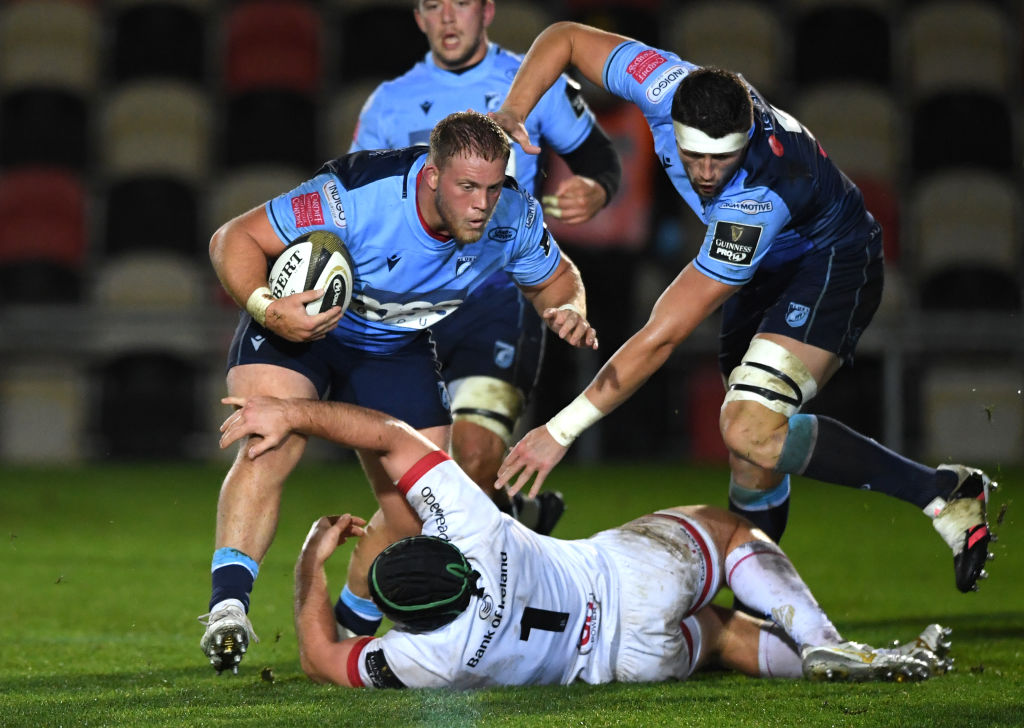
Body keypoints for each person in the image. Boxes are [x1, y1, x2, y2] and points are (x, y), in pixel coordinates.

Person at [489, 22, 998, 598]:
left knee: (750, 426)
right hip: (770, 264)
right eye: (693, 156)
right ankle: (761, 599)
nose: (705, 174)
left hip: (832, 261)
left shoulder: (756, 198)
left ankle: (941, 491)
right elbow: (565, 39)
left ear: (748, 132)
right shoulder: (661, 81)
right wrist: (514, 110)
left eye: (722, 159)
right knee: (750, 450)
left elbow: (662, 334)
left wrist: (560, 430)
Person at [200, 110, 599, 674]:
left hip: (394, 344)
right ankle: (228, 610)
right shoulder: (357, 195)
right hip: (303, 326)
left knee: (421, 505)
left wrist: (566, 308)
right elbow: (232, 237)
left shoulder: (514, 215)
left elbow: (559, 278)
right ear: (432, 175)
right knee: (271, 440)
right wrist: (269, 308)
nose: (482, 204)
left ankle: (350, 626)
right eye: (466, 188)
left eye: (491, 187)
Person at [218, 394, 952, 688]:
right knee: (727, 530)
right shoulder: (472, 528)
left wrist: (310, 566)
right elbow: (385, 435)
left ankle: (865, 662)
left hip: (626, 662)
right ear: (439, 553)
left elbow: (319, 657)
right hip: (626, 577)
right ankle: (825, 641)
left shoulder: (425, 658)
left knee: (724, 635)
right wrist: (295, 414)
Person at [349, 0, 622, 533]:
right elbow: (358, 206)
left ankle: (419, 610)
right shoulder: (388, 103)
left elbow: (600, 161)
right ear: (419, 17)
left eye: (462, 4)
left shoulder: (534, 83)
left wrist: (596, 188)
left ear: (487, 11)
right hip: (408, 310)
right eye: (434, 5)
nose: (449, 18)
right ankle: (518, 514)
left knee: (472, 459)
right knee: (420, 485)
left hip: (497, 300)